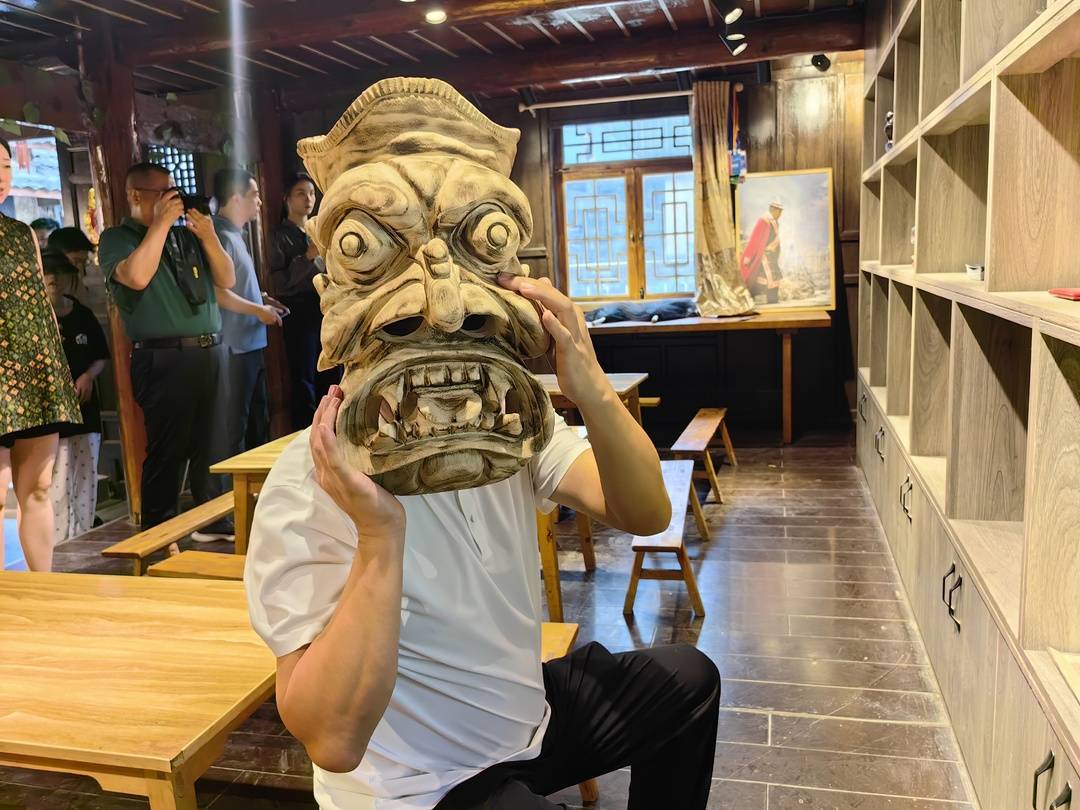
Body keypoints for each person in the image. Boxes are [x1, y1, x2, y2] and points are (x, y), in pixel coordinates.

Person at [245, 81, 720, 810]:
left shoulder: (510, 431)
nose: (445, 305)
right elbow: (331, 739)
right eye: (367, 246)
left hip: (526, 728)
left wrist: (589, 384)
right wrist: (379, 536)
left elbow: (647, 512)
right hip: (418, 788)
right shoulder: (308, 483)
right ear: (333, 285)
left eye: (484, 240)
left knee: (688, 682)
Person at [97, 162, 235, 529]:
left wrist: (209, 236)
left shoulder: (185, 236)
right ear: (135, 195)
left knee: (212, 442)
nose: (174, 200)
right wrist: (159, 224)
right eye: (165, 194)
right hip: (163, 356)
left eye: (175, 192)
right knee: (168, 449)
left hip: (209, 351)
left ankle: (213, 521)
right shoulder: (117, 239)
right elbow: (137, 277)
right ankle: (157, 530)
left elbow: (227, 278)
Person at [0, 139, 82, 572]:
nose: (1, 175)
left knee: (38, 487)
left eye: (6, 165)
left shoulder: (22, 233)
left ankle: (43, 586)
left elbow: (42, 304)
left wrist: (56, 367)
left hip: (35, 371)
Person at [198, 168, 283, 541]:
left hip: (250, 344)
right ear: (235, 198)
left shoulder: (234, 234)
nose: (259, 202)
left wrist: (261, 301)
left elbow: (237, 288)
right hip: (232, 348)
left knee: (254, 425)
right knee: (230, 430)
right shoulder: (218, 234)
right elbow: (217, 293)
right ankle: (218, 514)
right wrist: (257, 311)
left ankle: (251, 506)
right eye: (253, 194)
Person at [41, 250, 109, 542]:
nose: (53, 279)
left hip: (85, 411)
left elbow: (101, 355)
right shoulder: (36, 318)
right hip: (53, 416)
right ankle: (59, 541)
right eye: (47, 273)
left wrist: (88, 376)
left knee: (85, 476)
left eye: (59, 273)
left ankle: (84, 534)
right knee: (56, 481)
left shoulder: (83, 314)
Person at [270, 172, 339, 430]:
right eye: (301, 193)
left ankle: (332, 427)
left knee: (332, 370)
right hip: (299, 311)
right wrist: (307, 256)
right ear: (286, 198)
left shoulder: (319, 232)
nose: (308, 199)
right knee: (304, 375)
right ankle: (306, 431)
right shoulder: (279, 236)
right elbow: (280, 282)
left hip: (326, 309)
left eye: (311, 193)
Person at [739, 199, 784, 304]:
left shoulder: (775, 222)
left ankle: (772, 299)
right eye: (779, 211)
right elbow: (754, 239)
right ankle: (755, 298)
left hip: (772, 256)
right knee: (762, 277)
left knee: (774, 277)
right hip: (764, 256)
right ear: (773, 209)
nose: (780, 214)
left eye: (781, 211)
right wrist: (748, 256)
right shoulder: (763, 221)